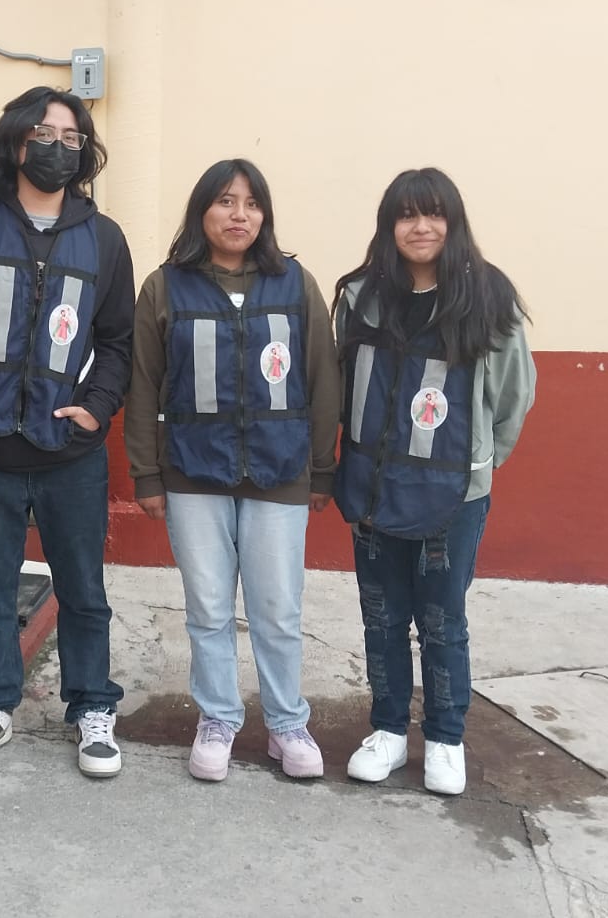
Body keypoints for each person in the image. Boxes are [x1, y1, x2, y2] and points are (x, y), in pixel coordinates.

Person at [0, 85, 135, 777]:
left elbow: (119, 342)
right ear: (16, 142)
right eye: (45, 133)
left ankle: (92, 706)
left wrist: (96, 408)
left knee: (84, 589)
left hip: (71, 452)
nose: (58, 148)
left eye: (72, 138)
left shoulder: (104, 239)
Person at [124, 159, 340, 783]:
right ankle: (217, 718)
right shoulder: (165, 288)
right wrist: (147, 474)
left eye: (251, 203)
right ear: (202, 212)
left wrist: (321, 469)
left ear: (264, 215)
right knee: (209, 607)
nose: (238, 215)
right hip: (193, 473)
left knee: (277, 608)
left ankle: (286, 722)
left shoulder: (294, 285)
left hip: (280, 471)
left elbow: (323, 379)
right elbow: (144, 385)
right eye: (224, 201)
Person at [332, 167, 535, 796]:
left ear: (454, 221)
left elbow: (512, 399)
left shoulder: (489, 300)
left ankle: (446, 739)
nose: (421, 227)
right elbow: (341, 384)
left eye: (434, 213)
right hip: (373, 489)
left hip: (453, 497)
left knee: (443, 621)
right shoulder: (360, 297)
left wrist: (477, 465)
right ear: (388, 225)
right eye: (407, 214)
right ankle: (389, 731)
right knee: (382, 617)